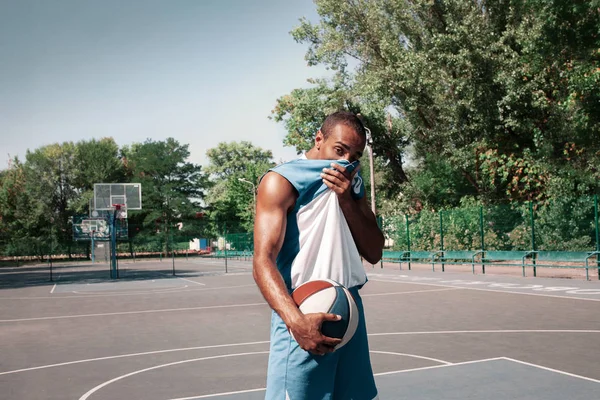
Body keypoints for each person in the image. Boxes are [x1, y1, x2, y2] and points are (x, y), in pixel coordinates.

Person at [253, 111, 385, 400]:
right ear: (319, 139)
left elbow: (374, 252)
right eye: (340, 149)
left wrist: (346, 200)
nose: (347, 159)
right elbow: (262, 260)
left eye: (355, 154)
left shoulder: (353, 184)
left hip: (348, 310)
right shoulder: (282, 180)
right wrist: (295, 322)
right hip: (303, 309)